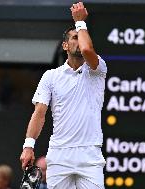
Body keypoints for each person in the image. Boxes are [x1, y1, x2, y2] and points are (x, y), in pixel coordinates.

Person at [20, 2, 107, 189]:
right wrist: (28, 146)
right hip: (59, 154)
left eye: (81, 37)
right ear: (65, 45)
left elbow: (87, 50)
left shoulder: (98, 68)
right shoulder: (50, 76)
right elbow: (39, 113)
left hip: (90, 154)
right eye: (74, 38)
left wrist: (80, 23)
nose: (80, 41)